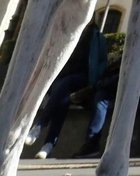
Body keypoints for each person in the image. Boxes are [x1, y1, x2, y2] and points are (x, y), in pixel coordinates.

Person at [77, 11, 140, 157]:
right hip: (129, 77)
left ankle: (94, 87)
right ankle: (91, 143)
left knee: (137, 74)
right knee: (101, 96)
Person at [27, 18, 107, 158]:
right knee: (62, 99)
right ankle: (48, 145)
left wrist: (95, 79)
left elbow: (102, 61)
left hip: (84, 78)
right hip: (63, 78)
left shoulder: (96, 37)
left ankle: (40, 125)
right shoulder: (69, 33)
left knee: (65, 85)